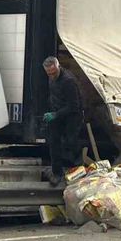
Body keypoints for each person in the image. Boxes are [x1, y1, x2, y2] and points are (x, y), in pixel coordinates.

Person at [42, 56, 83, 186]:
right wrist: (50, 112)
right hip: (58, 114)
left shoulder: (68, 81)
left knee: (71, 143)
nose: (52, 75)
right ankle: (57, 172)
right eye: (49, 74)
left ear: (58, 67)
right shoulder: (51, 78)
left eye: (54, 73)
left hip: (72, 116)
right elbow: (53, 96)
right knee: (53, 142)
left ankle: (77, 169)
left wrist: (55, 114)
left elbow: (74, 106)